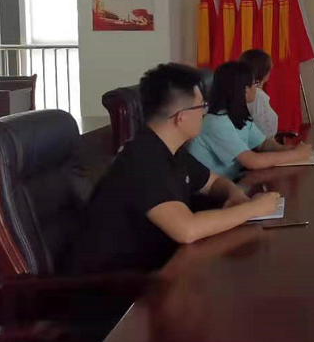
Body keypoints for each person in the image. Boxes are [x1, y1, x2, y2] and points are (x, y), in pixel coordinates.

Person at [63, 63, 285, 274]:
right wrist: (253, 209)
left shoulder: (169, 149)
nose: (205, 113)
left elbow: (214, 182)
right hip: (116, 287)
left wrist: (235, 195)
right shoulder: (143, 160)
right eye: (202, 106)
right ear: (181, 116)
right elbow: (187, 230)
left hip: (158, 269)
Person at [187, 60, 312, 180]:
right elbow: (252, 161)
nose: (256, 88)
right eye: (255, 84)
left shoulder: (237, 114)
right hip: (214, 190)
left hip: (235, 181)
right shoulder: (215, 122)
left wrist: (288, 150)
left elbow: (262, 144)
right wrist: (297, 154)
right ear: (246, 90)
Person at [239, 49, 280, 138]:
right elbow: (265, 131)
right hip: (260, 143)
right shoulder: (257, 96)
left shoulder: (243, 91)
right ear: (264, 72)